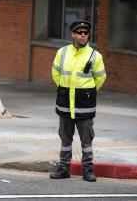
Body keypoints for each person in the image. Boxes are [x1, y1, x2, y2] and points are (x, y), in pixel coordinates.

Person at [50, 20, 107, 182]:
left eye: (85, 33)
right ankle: (63, 169)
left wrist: (88, 92)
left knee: (86, 141)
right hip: (65, 104)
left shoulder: (95, 56)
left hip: (85, 106)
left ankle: (88, 170)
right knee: (65, 139)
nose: (83, 35)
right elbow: (56, 73)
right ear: (73, 34)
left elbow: (100, 78)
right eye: (79, 32)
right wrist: (64, 88)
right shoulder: (62, 52)